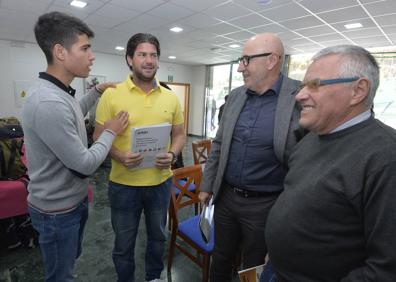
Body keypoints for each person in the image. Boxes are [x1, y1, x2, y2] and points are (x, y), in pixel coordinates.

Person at [265, 45, 396, 281]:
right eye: (303, 85)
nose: (300, 95)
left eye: (315, 85)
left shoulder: (386, 157)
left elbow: (386, 269)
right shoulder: (312, 136)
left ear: (358, 90)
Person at [21, 11, 129, 282]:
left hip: (71, 203)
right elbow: (84, 164)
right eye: (85, 48)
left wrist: (96, 91)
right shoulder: (48, 102)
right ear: (60, 51)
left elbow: (70, 117)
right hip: (57, 213)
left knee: (67, 265)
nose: (92, 56)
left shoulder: (58, 93)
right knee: (61, 276)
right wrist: (110, 132)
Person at [198, 33, 304, 281]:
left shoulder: (299, 97)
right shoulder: (236, 96)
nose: (240, 68)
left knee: (253, 265)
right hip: (226, 198)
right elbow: (220, 144)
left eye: (246, 60)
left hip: (266, 205)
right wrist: (207, 185)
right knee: (221, 257)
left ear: (271, 60)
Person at [93, 33, 186, 282]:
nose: (149, 60)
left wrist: (172, 153)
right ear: (129, 59)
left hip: (160, 183)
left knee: (158, 238)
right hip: (123, 186)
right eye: (142, 54)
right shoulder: (111, 95)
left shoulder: (170, 97)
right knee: (124, 244)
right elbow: (97, 137)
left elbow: (180, 134)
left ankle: (153, 277)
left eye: (153, 55)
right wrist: (119, 155)